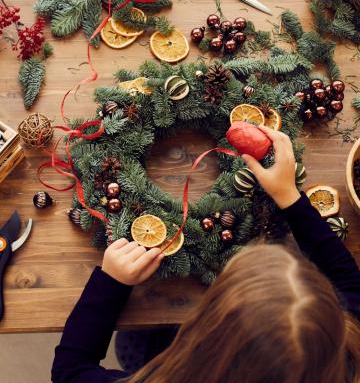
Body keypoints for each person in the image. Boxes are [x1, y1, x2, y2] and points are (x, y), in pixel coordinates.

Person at [51, 126, 360, 383]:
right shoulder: (349, 349)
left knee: (136, 342)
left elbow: (70, 371)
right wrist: (289, 197)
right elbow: (350, 283)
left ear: (211, 330)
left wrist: (111, 284)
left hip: (167, 360)